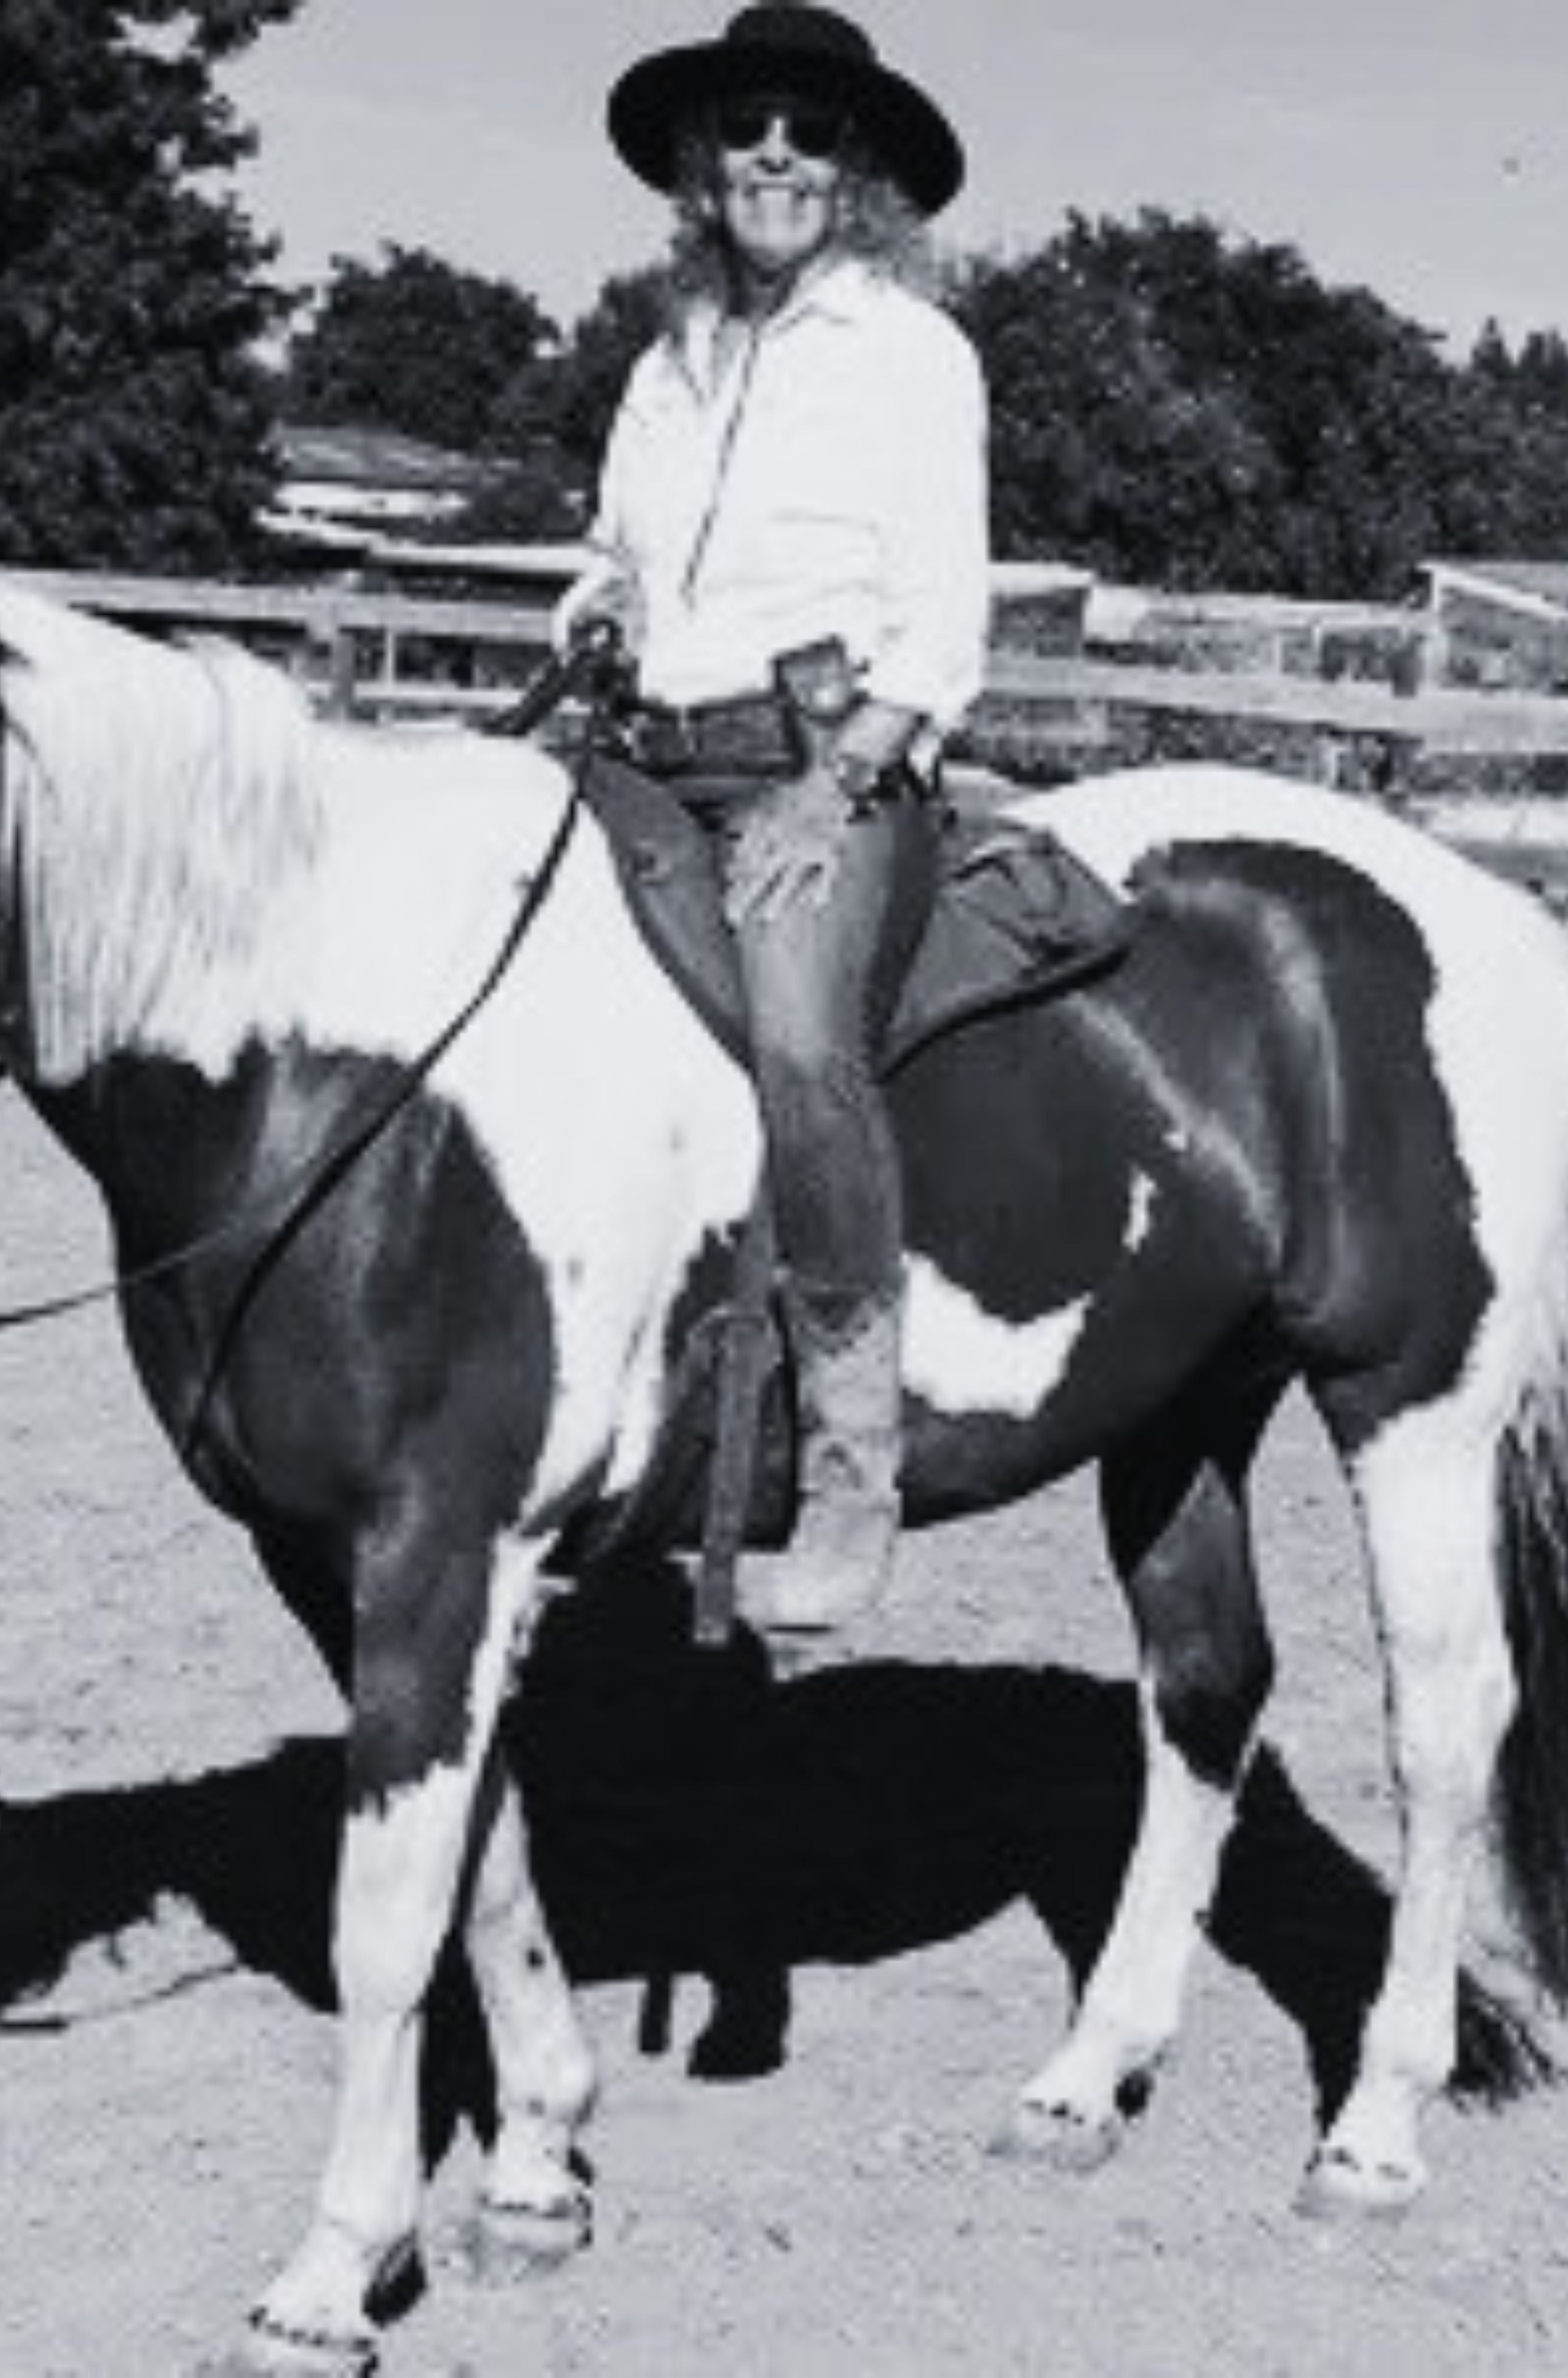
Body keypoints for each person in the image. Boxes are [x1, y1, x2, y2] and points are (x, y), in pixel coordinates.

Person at [559, 5, 991, 1638]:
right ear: (702, 157)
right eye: (749, 127)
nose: (778, 158)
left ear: (859, 168)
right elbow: (611, 557)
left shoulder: (912, 354)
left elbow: (945, 621)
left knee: (803, 1034)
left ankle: (852, 1465)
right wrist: (590, 617)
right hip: (644, 744)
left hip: (829, 759)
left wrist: (835, 785)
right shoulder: (667, 360)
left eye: (813, 133)